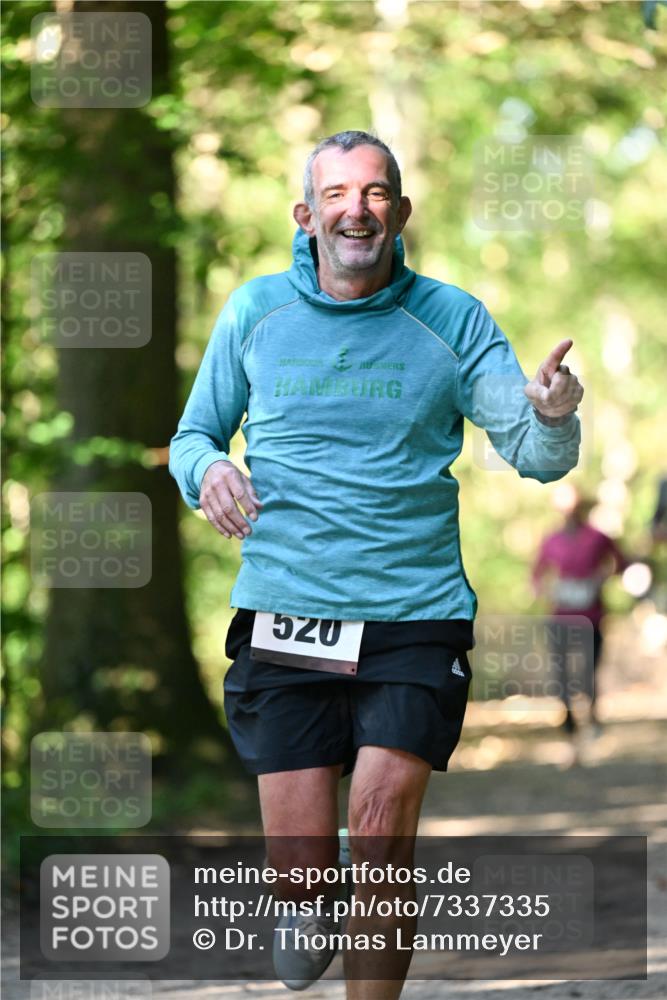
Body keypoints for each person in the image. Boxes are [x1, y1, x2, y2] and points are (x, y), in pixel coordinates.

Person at [169, 130, 584, 998]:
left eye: (374, 193)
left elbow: (534, 453)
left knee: (381, 834)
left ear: (399, 212)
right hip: (287, 606)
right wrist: (206, 471)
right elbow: (193, 434)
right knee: (300, 879)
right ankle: (306, 895)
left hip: (413, 612)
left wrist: (550, 415)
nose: (355, 210)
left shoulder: (450, 318)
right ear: (306, 214)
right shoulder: (254, 313)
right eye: (337, 194)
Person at [532, 489, 626, 733]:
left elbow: (620, 562)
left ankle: (592, 711)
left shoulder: (598, 537)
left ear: (581, 508)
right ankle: (568, 714)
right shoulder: (551, 540)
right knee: (561, 667)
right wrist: (547, 590)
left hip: (591, 615)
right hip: (561, 615)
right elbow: (537, 574)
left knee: (589, 667)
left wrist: (599, 580)